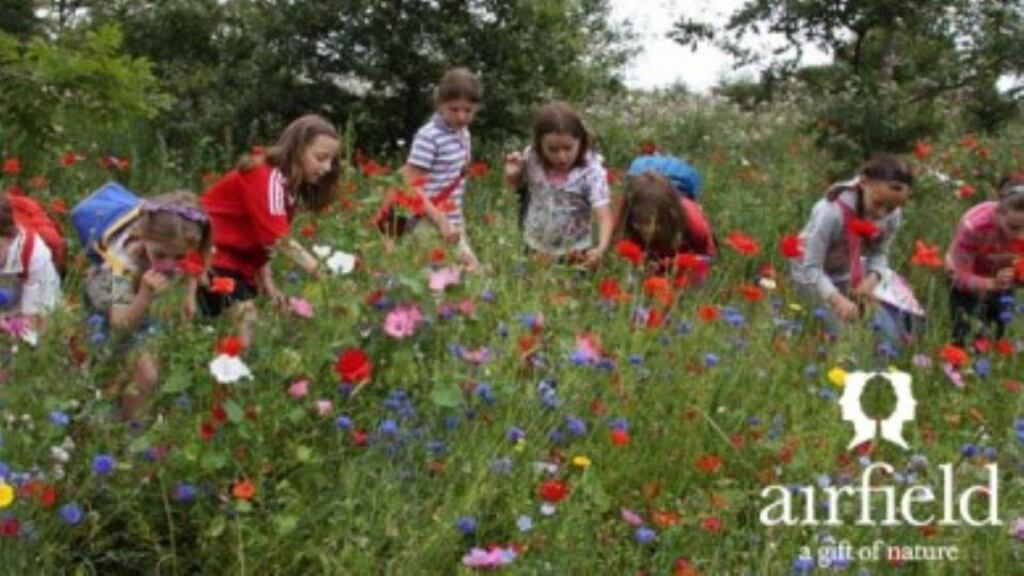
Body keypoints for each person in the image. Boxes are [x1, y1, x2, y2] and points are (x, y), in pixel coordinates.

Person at [199, 114, 340, 345]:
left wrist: (267, 281)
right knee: (246, 322)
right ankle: (229, 377)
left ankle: (227, 373)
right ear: (297, 149)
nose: (327, 168)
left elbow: (257, 233)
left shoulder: (284, 185)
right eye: (321, 158)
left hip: (236, 262)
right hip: (210, 255)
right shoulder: (267, 176)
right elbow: (277, 239)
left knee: (250, 329)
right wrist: (323, 274)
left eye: (331, 161)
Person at [80, 190, 210, 421]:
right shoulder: (120, 264)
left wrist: (189, 296)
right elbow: (119, 323)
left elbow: (195, 261)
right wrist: (144, 297)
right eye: (160, 254)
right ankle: (122, 427)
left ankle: (130, 423)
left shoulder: (182, 246)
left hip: (140, 300)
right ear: (142, 234)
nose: (168, 264)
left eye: (178, 256)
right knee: (109, 363)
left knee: (146, 371)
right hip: (108, 306)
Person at [790, 154, 919, 341]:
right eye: (878, 203)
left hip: (847, 273)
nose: (881, 214)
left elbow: (880, 253)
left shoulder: (893, 213)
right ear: (864, 182)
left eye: (891, 208)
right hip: (810, 277)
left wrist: (873, 277)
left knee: (888, 335)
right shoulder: (830, 212)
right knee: (843, 338)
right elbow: (811, 267)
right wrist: (837, 300)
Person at [504, 101, 613, 267]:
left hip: (575, 251)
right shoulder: (532, 158)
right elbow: (516, 188)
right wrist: (512, 175)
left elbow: (604, 215)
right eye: (552, 149)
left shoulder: (590, 170)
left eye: (568, 148)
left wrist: (602, 247)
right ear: (540, 145)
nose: (561, 156)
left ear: (580, 142)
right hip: (535, 245)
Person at [397, 67, 482, 270]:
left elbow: (456, 183)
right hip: (427, 221)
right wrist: (441, 222)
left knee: (470, 277)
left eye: (468, 110)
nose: (461, 116)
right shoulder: (429, 136)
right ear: (440, 105)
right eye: (454, 109)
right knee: (439, 284)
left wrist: (459, 223)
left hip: (452, 222)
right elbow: (411, 186)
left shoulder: (464, 134)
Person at [945, 172, 1024, 344]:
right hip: (965, 281)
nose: (1021, 236)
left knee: (996, 336)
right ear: (998, 213)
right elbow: (956, 274)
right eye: (1015, 227)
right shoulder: (974, 226)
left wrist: (1016, 277)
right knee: (965, 335)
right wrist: (990, 284)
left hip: (1001, 280)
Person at [0, 195, 61, 333]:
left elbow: (38, 325)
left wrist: (12, 329)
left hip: (23, 314)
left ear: (10, 238)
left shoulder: (34, 254)